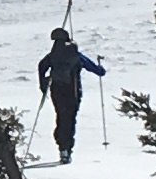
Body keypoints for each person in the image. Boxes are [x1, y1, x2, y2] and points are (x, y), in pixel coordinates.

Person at [35, 26, 107, 162]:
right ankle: (66, 148)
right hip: (72, 92)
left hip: (56, 91)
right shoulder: (74, 54)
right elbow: (91, 66)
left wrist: (43, 84)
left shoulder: (53, 55)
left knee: (61, 117)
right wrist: (101, 70)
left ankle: (62, 146)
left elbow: (41, 66)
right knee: (69, 119)